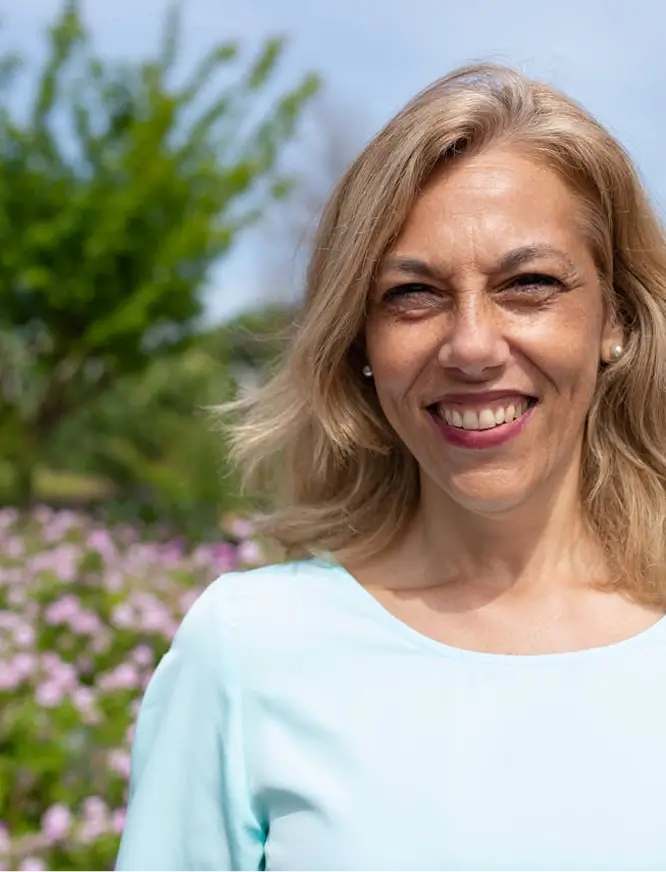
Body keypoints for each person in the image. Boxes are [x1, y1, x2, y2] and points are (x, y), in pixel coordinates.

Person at [115, 63, 666, 871]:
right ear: (361, 342)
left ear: (614, 319)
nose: (472, 345)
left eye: (530, 284)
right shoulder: (248, 649)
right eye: (413, 294)